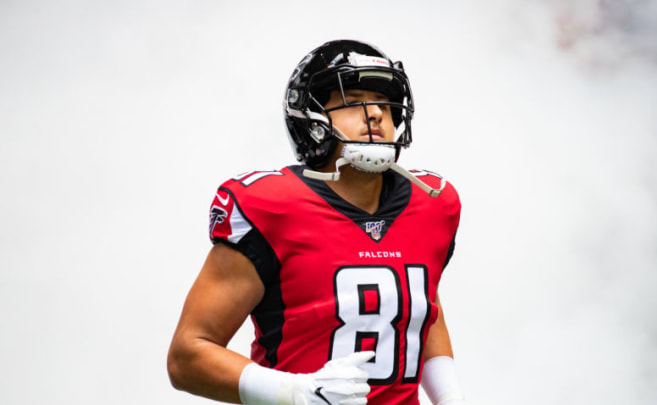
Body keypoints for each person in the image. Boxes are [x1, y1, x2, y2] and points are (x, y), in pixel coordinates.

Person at [167, 39, 466, 405]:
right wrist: (296, 393)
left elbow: (422, 307)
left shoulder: (433, 203)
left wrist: (449, 395)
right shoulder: (271, 207)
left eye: (384, 104)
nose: (375, 115)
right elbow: (186, 356)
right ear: (309, 118)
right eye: (354, 100)